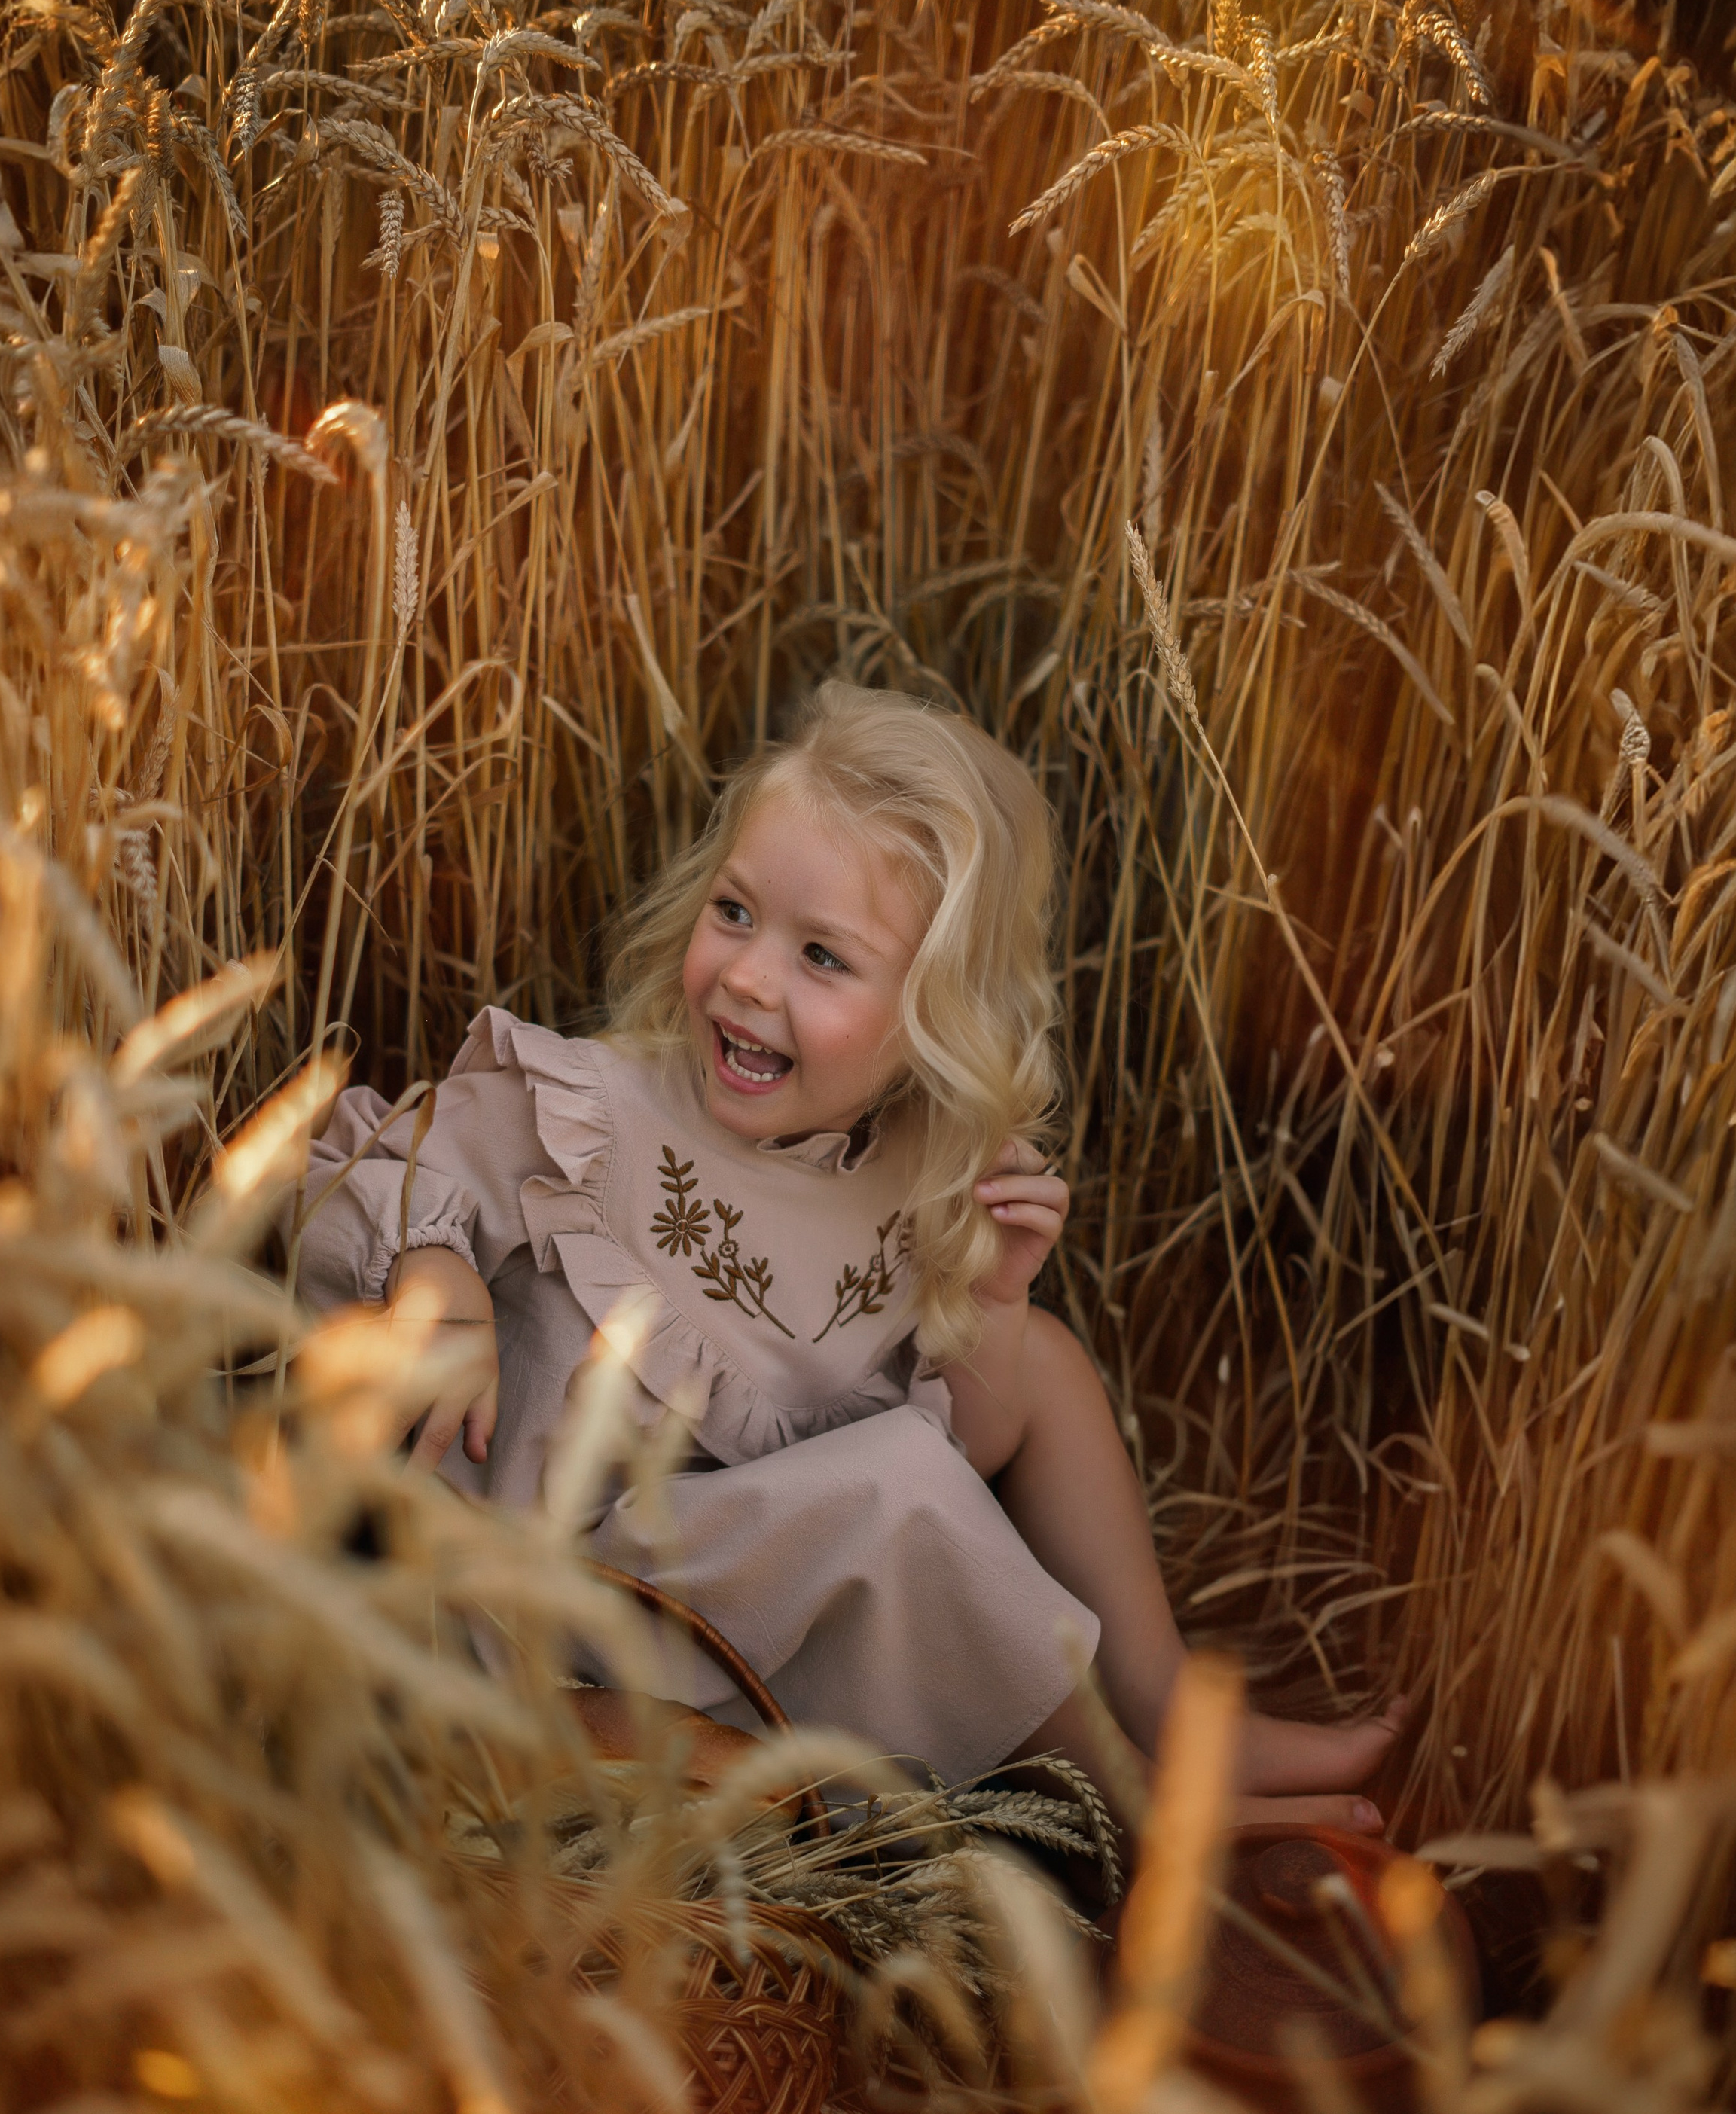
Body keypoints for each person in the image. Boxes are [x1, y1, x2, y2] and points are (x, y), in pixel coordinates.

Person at [297, 682, 1402, 1828]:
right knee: (899, 1493)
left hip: (748, 1592)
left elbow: (955, 1451)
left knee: (1044, 1365)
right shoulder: (602, 1112)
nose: (748, 977)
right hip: (577, 1611)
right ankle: (1130, 1798)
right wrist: (441, 1282)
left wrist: (999, 1303)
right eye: (734, 912)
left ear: (929, 1018)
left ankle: (1164, 1697)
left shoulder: (904, 1181)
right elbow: (365, 1165)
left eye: (823, 957)